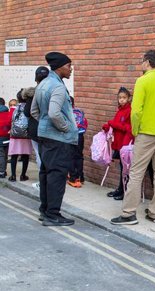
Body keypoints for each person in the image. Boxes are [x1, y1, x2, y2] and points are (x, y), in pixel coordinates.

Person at [110, 49, 155, 225]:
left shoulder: (142, 81)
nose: (141, 63)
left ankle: (128, 213)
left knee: (136, 172)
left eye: (142, 60)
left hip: (146, 133)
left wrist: (136, 130)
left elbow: (136, 111)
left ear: (148, 63)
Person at [30, 51, 78, 227]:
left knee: (46, 174)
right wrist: (66, 128)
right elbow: (54, 113)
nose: (70, 69)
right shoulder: (57, 87)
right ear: (59, 68)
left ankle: (45, 211)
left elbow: (34, 111)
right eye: (68, 66)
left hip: (44, 136)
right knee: (57, 176)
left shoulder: (43, 84)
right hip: (58, 139)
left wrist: (44, 125)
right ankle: (53, 214)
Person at [103, 87, 134, 200]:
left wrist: (113, 124)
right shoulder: (120, 110)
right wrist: (108, 126)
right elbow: (115, 124)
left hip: (125, 144)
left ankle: (125, 192)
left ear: (129, 98)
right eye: (120, 97)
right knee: (122, 168)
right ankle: (120, 189)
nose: (121, 100)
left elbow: (129, 128)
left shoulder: (130, 111)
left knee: (126, 169)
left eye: (124, 98)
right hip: (119, 143)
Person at [25, 66, 50, 189]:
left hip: (36, 129)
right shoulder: (53, 90)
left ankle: (42, 182)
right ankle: (49, 182)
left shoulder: (33, 93)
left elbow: (27, 112)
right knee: (49, 155)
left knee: (40, 155)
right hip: (51, 129)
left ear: (36, 79)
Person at [8, 89, 33, 182]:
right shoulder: (29, 108)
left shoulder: (14, 108)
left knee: (14, 155)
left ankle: (13, 176)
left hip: (15, 134)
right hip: (26, 134)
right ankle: (23, 175)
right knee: (25, 155)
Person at [68, 96, 88, 187]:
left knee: (71, 157)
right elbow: (85, 123)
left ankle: (73, 178)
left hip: (71, 136)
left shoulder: (66, 113)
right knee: (79, 156)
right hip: (80, 136)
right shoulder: (79, 111)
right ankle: (80, 177)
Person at [0, 98, 10, 179]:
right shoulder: (8, 113)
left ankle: (1, 172)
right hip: (7, 136)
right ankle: (4, 170)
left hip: (0, 137)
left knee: (1, 155)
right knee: (5, 154)